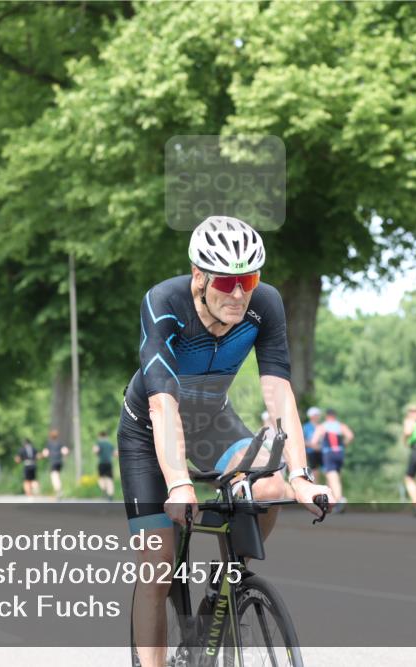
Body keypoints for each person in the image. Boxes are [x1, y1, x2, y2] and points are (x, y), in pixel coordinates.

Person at [117, 216, 332, 666]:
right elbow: (162, 406)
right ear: (199, 275)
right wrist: (178, 484)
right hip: (149, 427)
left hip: (214, 422)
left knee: (271, 488)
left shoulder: (265, 304)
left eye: (248, 279)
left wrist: (301, 475)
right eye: (228, 281)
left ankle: (227, 582)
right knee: (157, 564)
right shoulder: (163, 303)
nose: (239, 293)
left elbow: (277, 392)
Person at [309, 408, 353, 511]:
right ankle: (331, 503)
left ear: (327, 416)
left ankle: (339, 500)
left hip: (329, 454)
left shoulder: (323, 426)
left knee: (333, 478)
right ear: (335, 416)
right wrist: (343, 444)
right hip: (340, 453)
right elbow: (350, 436)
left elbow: (313, 442)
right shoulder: (340, 425)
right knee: (334, 477)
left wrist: (321, 448)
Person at [41, 429, 69, 499]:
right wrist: (64, 457)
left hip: (53, 462)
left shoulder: (49, 444)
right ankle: (58, 490)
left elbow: (45, 453)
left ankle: (58, 490)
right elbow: (65, 451)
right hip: (59, 462)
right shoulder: (60, 443)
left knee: (54, 476)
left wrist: (43, 456)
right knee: (57, 475)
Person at [302, 406, 324, 483]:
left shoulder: (322, 426)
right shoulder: (306, 427)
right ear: (311, 416)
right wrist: (312, 445)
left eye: (318, 415)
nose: (317, 416)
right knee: (314, 471)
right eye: (315, 415)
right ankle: (315, 488)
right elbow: (302, 440)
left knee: (328, 472)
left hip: (322, 451)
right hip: (311, 452)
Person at [92, 431, 117, 500]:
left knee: (101, 479)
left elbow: (95, 450)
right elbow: (115, 454)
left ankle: (104, 488)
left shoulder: (99, 443)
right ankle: (110, 495)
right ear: (106, 436)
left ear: (100, 436)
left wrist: (96, 452)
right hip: (109, 463)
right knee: (110, 479)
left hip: (102, 463)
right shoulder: (110, 444)